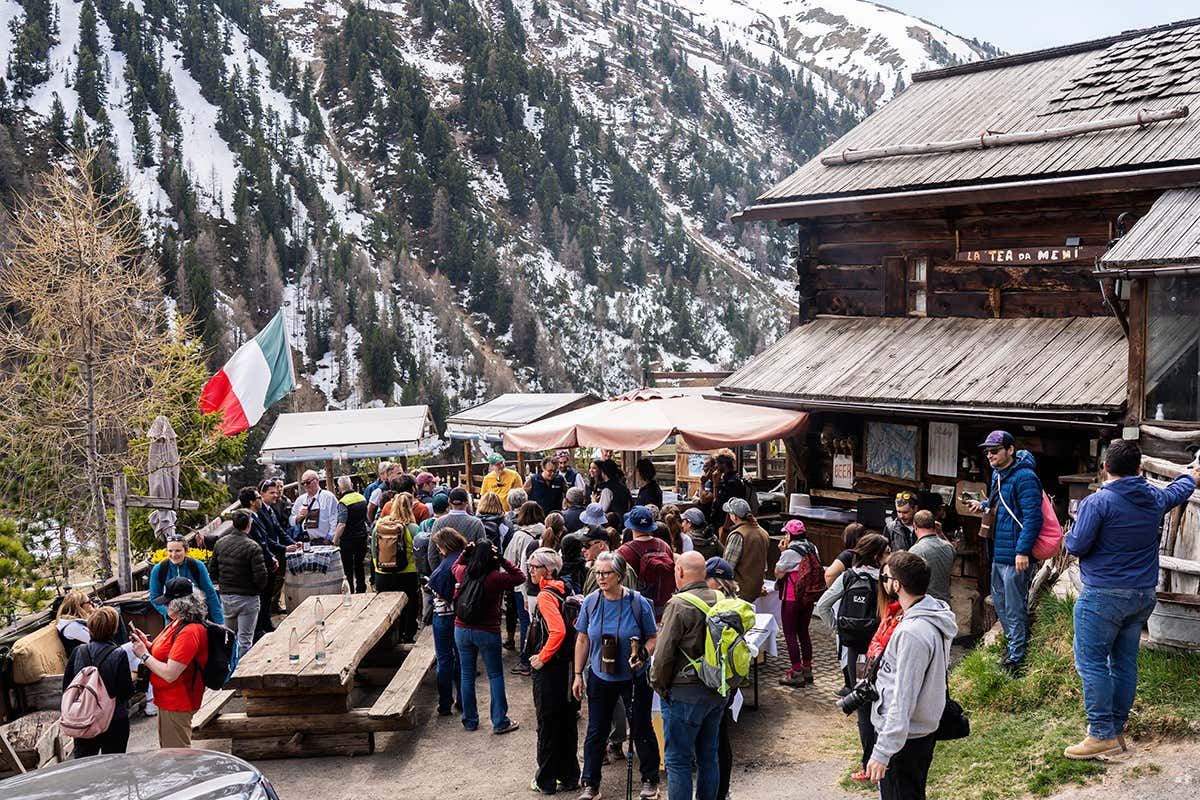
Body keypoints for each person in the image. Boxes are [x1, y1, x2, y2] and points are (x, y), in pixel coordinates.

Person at [1063, 441, 1199, 760]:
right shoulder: (1153, 498)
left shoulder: (1097, 503)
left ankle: (1100, 734)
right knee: (1123, 663)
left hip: (1103, 595)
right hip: (1142, 595)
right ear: (1139, 469)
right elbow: (1177, 491)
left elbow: (1078, 545)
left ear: (1106, 468)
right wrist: (1191, 476)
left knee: (1092, 662)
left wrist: (1068, 535)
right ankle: (1116, 729)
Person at [864, 552, 957, 800]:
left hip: (903, 739)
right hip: (918, 733)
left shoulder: (912, 632)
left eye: (886, 577)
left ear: (897, 585)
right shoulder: (933, 615)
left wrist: (882, 751)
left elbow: (903, 696)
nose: (883, 581)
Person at [573, 551, 660, 800]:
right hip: (600, 675)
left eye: (606, 573)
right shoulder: (590, 602)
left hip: (633, 676)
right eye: (597, 573)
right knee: (596, 730)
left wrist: (642, 654)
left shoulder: (637, 602)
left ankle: (650, 779)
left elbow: (653, 638)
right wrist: (578, 674)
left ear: (619, 576)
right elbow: (582, 638)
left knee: (641, 727)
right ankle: (590, 783)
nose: (600, 578)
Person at [965, 430, 1043, 677]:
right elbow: (997, 504)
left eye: (994, 450)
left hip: (1015, 555)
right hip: (999, 551)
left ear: (1010, 450)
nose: (989, 455)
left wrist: (1023, 551)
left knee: (1014, 606)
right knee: (999, 602)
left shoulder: (1026, 477)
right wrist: (983, 505)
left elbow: (1033, 517)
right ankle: (1012, 647)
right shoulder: (999, 474)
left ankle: (1017, 658)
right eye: (987, 451)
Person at [650, 551, 724, 800]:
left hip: (683, 691)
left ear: (680, 572)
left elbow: (663, 654)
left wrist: (659, 686)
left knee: (678, 761)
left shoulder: (679, 604)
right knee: (708, 756)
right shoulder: (720, 597)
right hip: (716, 690)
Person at [452, 540, 524, 734]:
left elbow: (454, 566)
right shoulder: (495, 578)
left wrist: (466, 552)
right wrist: (501, 558)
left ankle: (469, 720)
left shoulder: (463, 572)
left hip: (461, 628)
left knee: (467, 675)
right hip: (487, 631)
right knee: (495, 675)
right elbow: (519, 577)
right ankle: (500, 721)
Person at [526, 547, 582, 794]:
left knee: (547, 723)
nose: (530, 570)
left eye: (534, 566)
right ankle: (569, 776)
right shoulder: (564, 588)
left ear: (547, 570)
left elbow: (557, 631)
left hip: (551, 669)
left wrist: (542, 657)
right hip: (568, 665)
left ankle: (545, 779)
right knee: (567, 721)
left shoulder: (546, 596)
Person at [130, 578, 209, 748]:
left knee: (177, 756)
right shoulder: (177, 623)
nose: (164, 607)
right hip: (168, 699)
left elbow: (170, 673)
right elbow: (167, 654)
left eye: (168, 603)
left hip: (179, 700)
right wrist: (147, 645)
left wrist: (144, 655)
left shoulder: (189, 631)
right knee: (169, 749)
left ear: (180, 605)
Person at [816, 532, 890, 696]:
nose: (890, 556)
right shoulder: (886, 580)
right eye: (887, 552)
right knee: (876, 690)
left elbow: (822, 606)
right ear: (877, 557)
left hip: (852, 639)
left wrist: (837, 628)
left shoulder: (848, 576)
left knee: (857, 690)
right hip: (877, 641)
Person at [62, 606, 134, 756]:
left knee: (86, 766)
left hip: (84, 718)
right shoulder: (118, 654)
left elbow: (67, 686)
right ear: (113, 628)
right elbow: (126, 691)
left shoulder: (78, 651)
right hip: (114, 720)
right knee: (115, 763)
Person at [208, 509, 267, 656]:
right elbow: (261, 577)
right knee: (245, 639)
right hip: (248, 597)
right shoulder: (253, 547)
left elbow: (212, 570)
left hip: (227, 596)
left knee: (228, 636)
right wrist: (257, 590)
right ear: (249, 524)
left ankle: (227, 667)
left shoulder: (220, 543)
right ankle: (241, 671)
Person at [774, 519, 824, 687]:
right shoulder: (813, 547)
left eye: (786, 533)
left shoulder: (789, 552)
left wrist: (782, 551)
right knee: (804, 632)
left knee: (789, 633)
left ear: (789, 535)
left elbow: (779, 573)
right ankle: (808, 669)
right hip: (808, 596)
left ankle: (796, 671)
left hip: (791, 597)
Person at [426, 527, 467, 716]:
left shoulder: (444, 567)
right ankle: (462, 700)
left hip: (443, 617)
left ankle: (444, 703)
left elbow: (440, 592)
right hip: (462, 617)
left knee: (444, 660)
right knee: (461, 659)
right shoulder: (466, 558)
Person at [506, 501, 547, 675]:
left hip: (524, 589)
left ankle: (525, 661)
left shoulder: (520, 536)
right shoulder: (547, 532)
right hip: (545, 587)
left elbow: (510, 561)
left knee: (526, 625)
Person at [374, 492, 421, 642]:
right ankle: (407, 635)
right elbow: (418, 554)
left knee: (386, 607)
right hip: (407, 573)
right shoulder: (413, 528)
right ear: (410, 508)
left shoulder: (379, 526)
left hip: (383, 573)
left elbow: (374, 552)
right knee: (409, 605)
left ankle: (387, 636)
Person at [150, 534, 224, 625]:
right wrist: (171, 613)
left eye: (178, 551)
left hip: (197, 619)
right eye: (170, 551)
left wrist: (219, 622)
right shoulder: (159, 569)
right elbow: (154, 597)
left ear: (186, 550)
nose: (173, 555)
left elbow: (210, 594)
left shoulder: (197, 566)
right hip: (172, 621)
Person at [237, 485, 281, 637]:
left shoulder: (256, 516)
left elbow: (266, 538)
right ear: (251, 501)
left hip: (265, 557)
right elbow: (261, 542)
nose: (261, 500)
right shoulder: (248, 519)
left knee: (267, 596)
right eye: (258, 498)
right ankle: (260, 628)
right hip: (259, 562)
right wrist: (271, 559)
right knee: (262, 596)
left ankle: (265, 623)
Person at [720, 498, 769, 603]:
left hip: (739, 592)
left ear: (734, 516)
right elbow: (764, 566)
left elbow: (727, 567)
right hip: (754, 589)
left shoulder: (738, 535)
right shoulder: (763, 532)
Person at [429, 487, 487, 572]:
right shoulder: (476, 523)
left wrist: (438, 573)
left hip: (444, 573)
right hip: (468, 575)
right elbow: (482, 552)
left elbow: (432, 553)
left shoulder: (439, 522)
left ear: (449, 501)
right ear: (467, 502)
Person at [333, 475, 370, 593]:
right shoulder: (362, 498)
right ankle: (361, 589)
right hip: (362, 537)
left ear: (339, 488)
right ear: (352, 485)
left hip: (348, 540)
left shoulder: (343, 502)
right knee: (359, 564)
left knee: (347, 568)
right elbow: (367, 516)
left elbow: (342, 524)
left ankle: (350, 591)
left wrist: (335, 539)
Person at [909, 510, 955, 604]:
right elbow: (953, 551)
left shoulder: (915, 551)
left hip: (926, 606)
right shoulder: (947, 547)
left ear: (914, 526)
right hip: (945, 604)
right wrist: (941, 534)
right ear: (935, 525)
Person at [290, 469, 339, 543]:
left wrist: (330, 537)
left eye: (308, 482)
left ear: (317, 481)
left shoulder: (328, 497)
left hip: (323, 542)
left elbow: (335, 518)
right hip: (305, 542)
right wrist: (300, 516)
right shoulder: (300, 499)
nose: (305, 485)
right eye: (303, 483)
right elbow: (291, 520)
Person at [710, 454, 747, 529]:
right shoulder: (724, 479)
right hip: (719, 519)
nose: (716, 466)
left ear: (724, 464)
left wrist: (726, 527)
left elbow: (732, 505)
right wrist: (715, 483)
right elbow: (716, 500)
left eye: (717, 463)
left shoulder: (732, 481)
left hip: (726, 522)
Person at [826, 522, 867, 588]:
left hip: (850, 592)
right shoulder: (870, 552)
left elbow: (829, 575)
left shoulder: (848, 555)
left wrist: (835, 591)